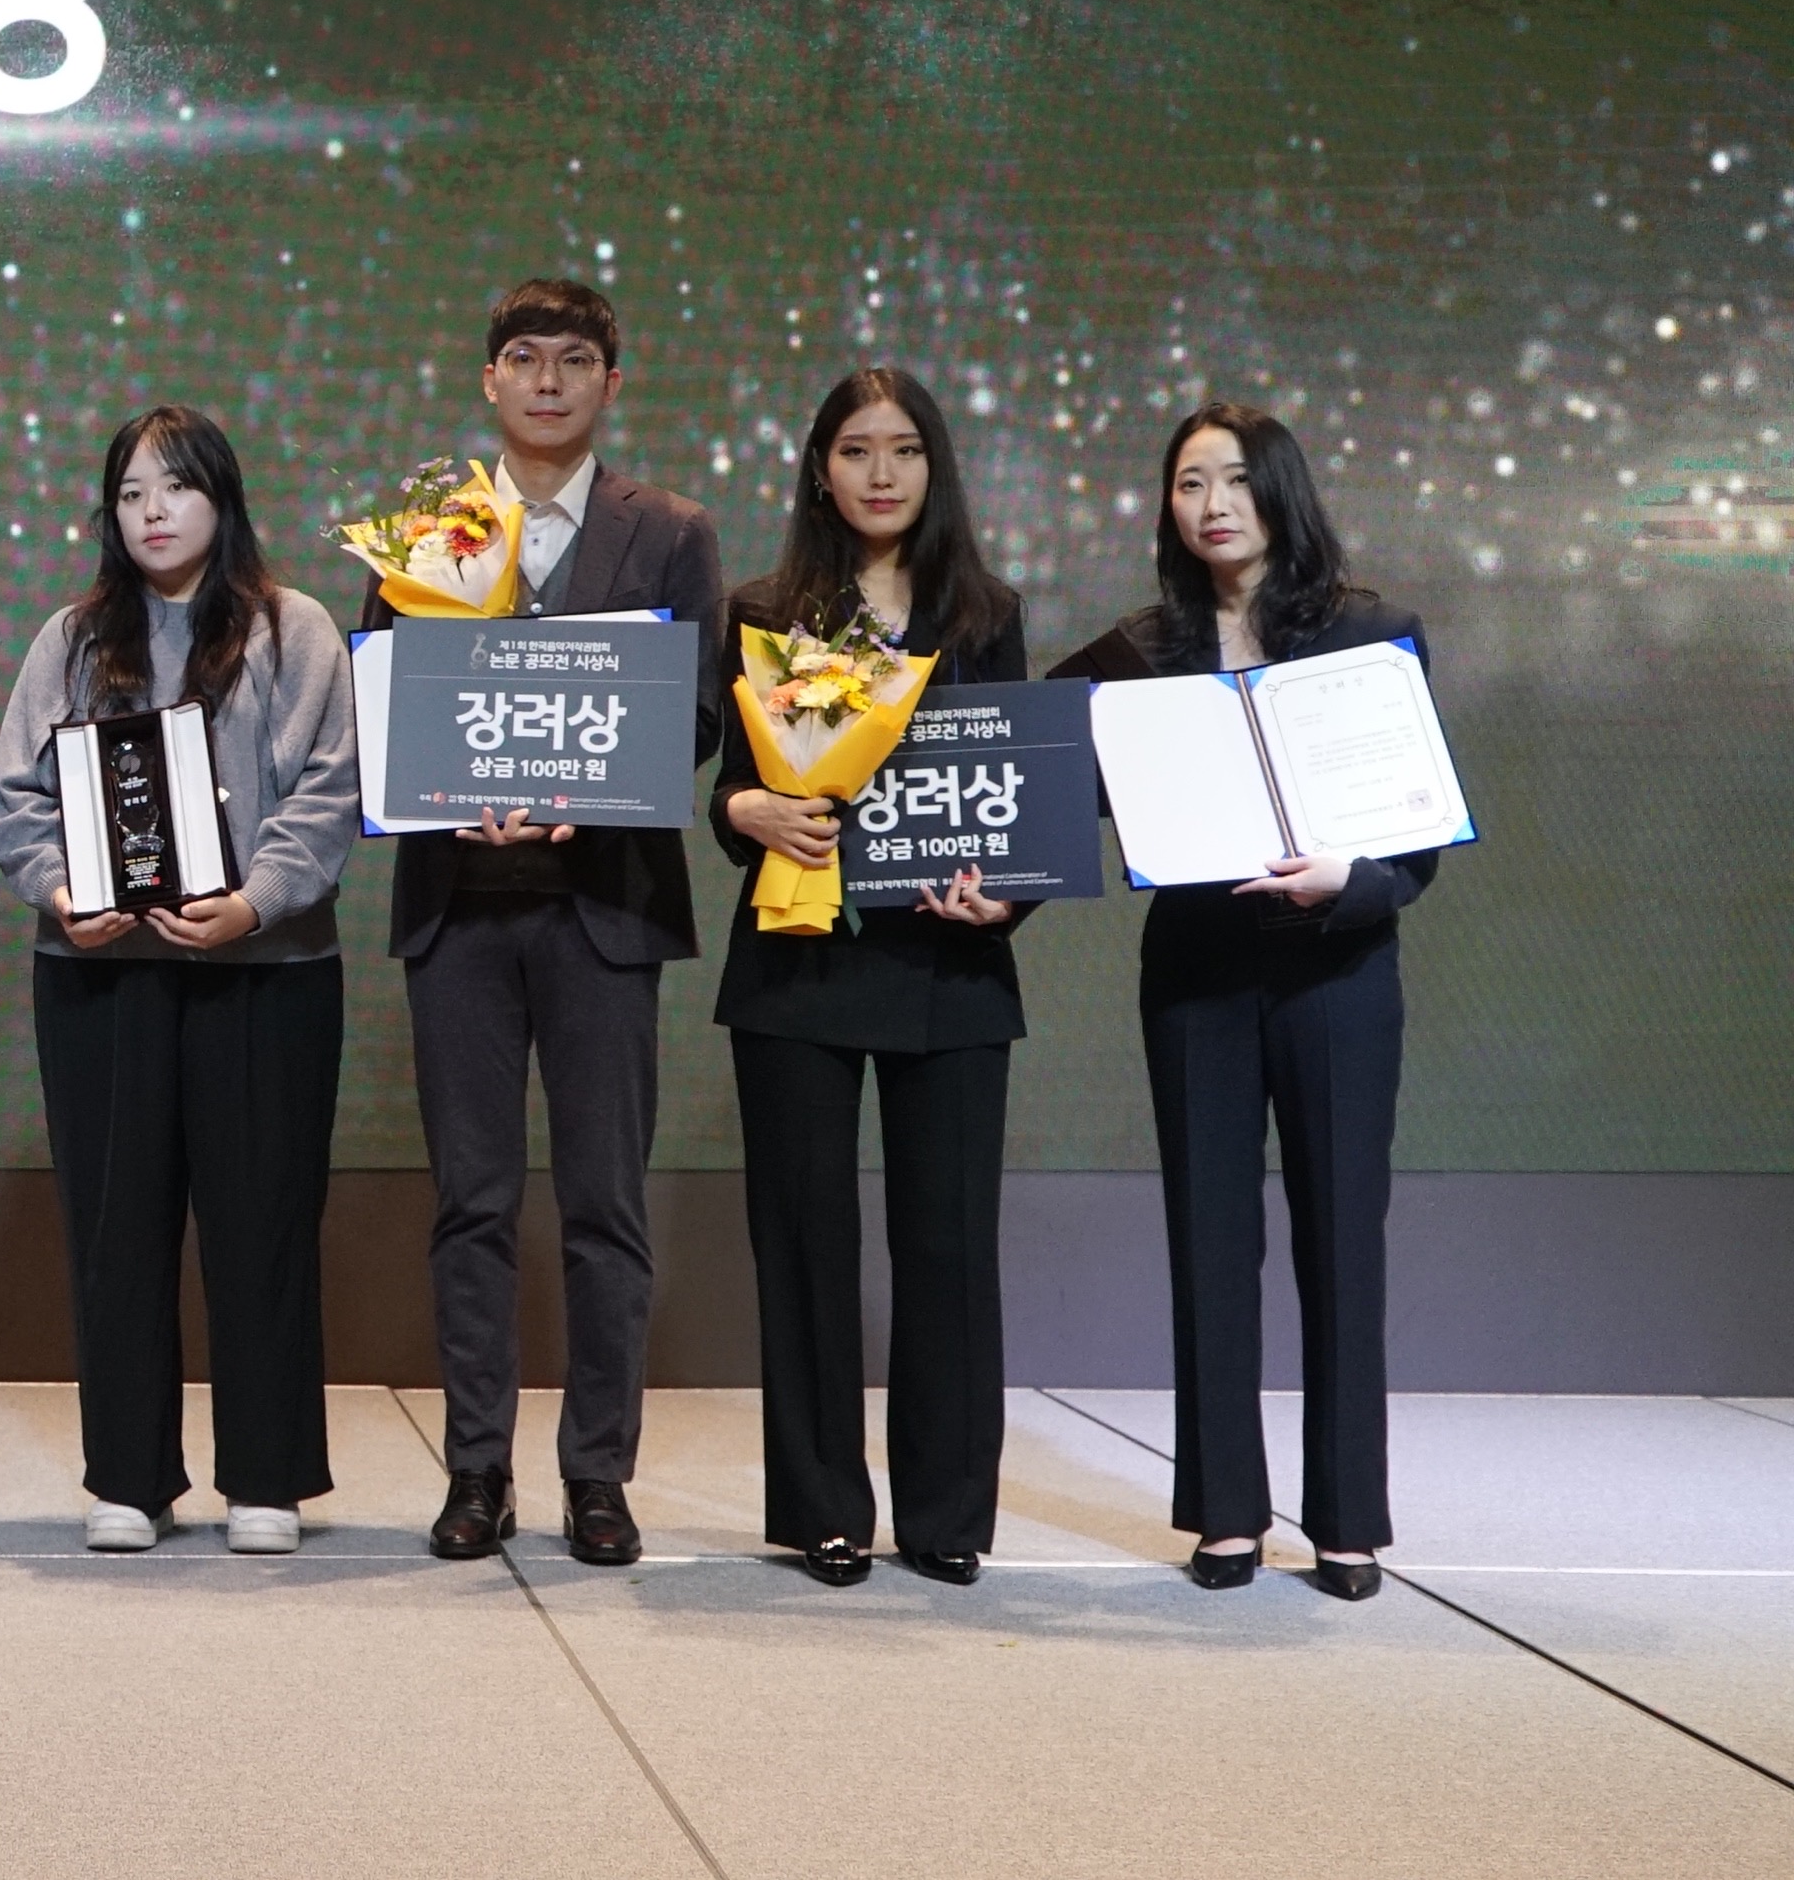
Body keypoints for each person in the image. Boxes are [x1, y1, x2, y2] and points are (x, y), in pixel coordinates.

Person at [359, 278, 724, 1569]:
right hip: (457, 911)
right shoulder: (426, 534)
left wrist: (588, 791)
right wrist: (445, 794)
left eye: (575, 359)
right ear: (491, 379)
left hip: (603, 910)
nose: (549, 379)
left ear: (610, 383)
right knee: (470, 1202)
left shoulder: (670, 531)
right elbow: (385, 701)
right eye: (525, 356)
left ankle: (597, 1475)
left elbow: (697, 711)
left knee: (603, 1205)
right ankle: (476, 1468)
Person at [0, 406, 359, 1556]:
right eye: (130, 492)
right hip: (100, 976)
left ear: (222, 498)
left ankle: (267, 1475)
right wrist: (60, 889)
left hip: (267, 970)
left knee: (263, 1223)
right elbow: (16, 794)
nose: (152, 512)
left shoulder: (294, 628)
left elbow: (330, 789)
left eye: (176, 487)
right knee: (116, 1229)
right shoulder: (69, 638)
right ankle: (127, 1474)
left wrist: (254, 898)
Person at [1093, 403, 1439, 1603]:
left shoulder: (1371, 633)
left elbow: (1417, 837)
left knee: (1341, 1237)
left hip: (1337, 969)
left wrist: (1353, 880)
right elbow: (1061, 784)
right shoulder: (1138, 652)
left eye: (1235, 479)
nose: (1212, 504)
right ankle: (1226, 1510)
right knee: (1209, 1241)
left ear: (1280, 491)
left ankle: (1345, 1519)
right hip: (1195, 971)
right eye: (1189, 482)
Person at [711, 370, 1029, 1589]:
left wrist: (1007, 895)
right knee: (802, 1239)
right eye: (855, 449)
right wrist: (746, 808)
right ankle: (822, 1508)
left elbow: (1017, 796)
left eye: (903, 449)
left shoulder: (985, 613)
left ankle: (945, 1513)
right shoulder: (763, 608)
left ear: (934, 465)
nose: (880, 472)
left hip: (949, 962)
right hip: (799, 957)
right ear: (819, 467)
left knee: (949, 1245)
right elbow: (731, 790)